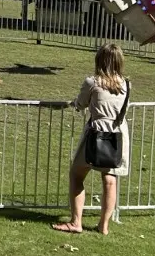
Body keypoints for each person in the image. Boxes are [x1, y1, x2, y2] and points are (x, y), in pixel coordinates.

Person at [53, 43, 132, 236]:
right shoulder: (126, 84)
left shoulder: (92, 82)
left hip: (97, 131)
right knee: (110, 179)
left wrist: (75, 104)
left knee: (77, 174)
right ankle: (103, 225)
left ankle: (76, 222)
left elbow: (81, 103)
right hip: (118, 132)